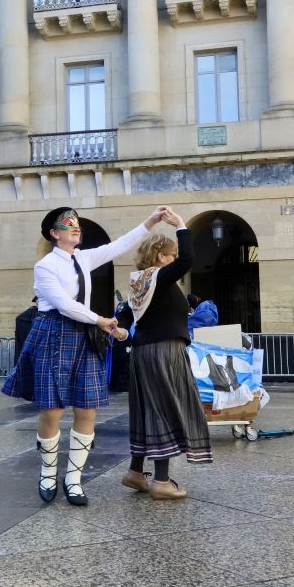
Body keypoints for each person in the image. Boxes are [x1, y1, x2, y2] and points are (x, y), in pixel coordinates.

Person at [4, 205, 168, 506]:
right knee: (52, 409)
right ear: (54, 233)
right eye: (68, 224)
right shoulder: (45, 266)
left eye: (77, 223)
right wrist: (100, 320)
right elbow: (64, 305)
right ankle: (48, 473)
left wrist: (150, 220)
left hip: (84, 334)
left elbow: (120, 245)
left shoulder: (84, 257)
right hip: (55, 332)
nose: (75, 227)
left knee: (87, 408)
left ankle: (74, 478)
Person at [116, 208, 211, 500]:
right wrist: (181, 225)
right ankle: (161, 481)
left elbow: (125, 318)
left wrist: (120, 330)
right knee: (165, 409)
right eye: (170, 254)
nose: (174, 259)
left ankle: (135, 472)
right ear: (160, 257)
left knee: (147, 410)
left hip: (142, 353)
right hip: (165, 351)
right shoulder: (161, 278)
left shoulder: (138, 282)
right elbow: (188, 260)